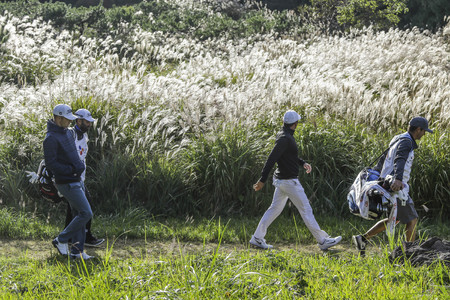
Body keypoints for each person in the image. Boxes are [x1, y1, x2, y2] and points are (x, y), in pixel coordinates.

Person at [250, 110, 342, 251]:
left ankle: (257, 238)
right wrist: (262, 179)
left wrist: (303, 163)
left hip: (282, 181)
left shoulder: (283, 135)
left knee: (274, 209)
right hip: (289, 182)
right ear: (295, 124)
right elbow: (271, 159)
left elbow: (288, 156)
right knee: (306, 209)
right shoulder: (285, 139)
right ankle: (322, 241)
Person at [352, 116, 433, 255]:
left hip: (388, 184)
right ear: (418, 129)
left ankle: (362, 239)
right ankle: (410, 253)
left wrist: (379, 177)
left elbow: (384, 159)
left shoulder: (398, 138)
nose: (424, 134)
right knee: (412, 219)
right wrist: (398, 179)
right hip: (396, 188)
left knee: (395, 219)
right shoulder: (407, 142)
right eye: (424, 131)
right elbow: (399, 159)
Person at [44, 104, 94, 260]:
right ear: (58, 118)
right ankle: (61, 239)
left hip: (76, 178)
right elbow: (51, 164)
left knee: (78, 213)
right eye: (67, 119)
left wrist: (77, 170)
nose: (70, 122)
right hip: (66, 181)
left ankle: (77, 251)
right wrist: (71, 170)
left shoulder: (66, 132)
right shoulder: (50, 138)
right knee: (86, 213)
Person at [64, 109, 104, 247]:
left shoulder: (84, 136)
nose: (89, 125)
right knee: (86, 206)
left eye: (90, 122)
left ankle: (69, 238)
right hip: (71, 178)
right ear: (78, 121)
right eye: (87, 122)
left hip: (80, 178)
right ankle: (86, 236)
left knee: (73, 208)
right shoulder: (71, 134)